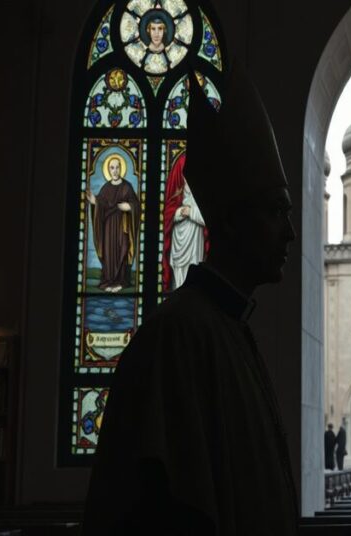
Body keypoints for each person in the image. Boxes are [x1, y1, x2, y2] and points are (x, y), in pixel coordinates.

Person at [82, 61, 299, 535]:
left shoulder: (228, 327)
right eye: (275, 212)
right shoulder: (179, 336)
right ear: (231, 220)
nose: (290, 233)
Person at [86, 152, 138, 293]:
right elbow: (101, 203)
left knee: (123, 248)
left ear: (121, 168)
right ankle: (109, 280)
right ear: (108, 170)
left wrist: (129, 207)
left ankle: (121, 282)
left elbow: (136, 204)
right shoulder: (106, 188)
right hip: (108, 228)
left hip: (123, 227)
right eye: (112, 168)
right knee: (109, 253)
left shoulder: (127, 187)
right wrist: (94, 202)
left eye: (117, 167)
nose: (115, 171)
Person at [163, 153, 208, 291]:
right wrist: (178, 213)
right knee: (178, 272)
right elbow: (168, 213)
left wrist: (191, 212)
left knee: (193, 270)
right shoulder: (178, 193)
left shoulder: (201, 195)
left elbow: (209, 219)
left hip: (195, 240)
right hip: (178, 240)